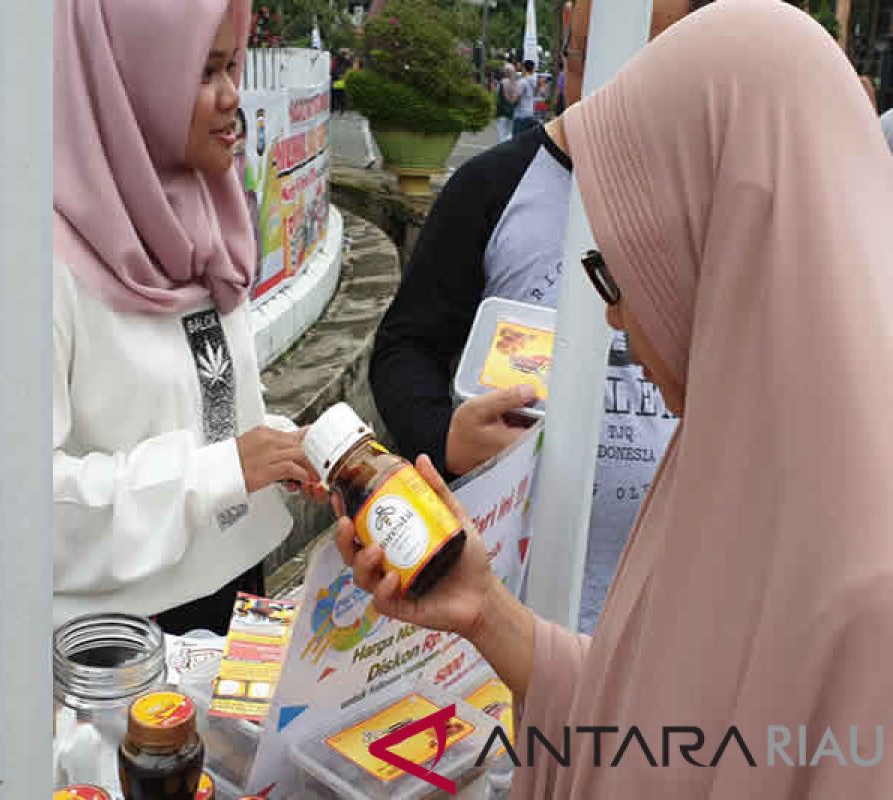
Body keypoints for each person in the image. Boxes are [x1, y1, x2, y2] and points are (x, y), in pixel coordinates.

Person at [342, 1, 893, 796]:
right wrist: (487, 610)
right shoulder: (736, 464)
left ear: (726, 241)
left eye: (620, 267)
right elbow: (671, 731)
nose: (615, 315)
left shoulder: (868, 608)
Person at [369, 0, 705, 635]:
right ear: (567, 47)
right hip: (500, 608)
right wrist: (444, 439)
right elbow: (403, 348)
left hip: (671, 614)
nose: (625, 82)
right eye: (595, 51)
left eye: (656, 53)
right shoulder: (492, 187)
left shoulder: (719, 199)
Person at [52, 0, 321, 636]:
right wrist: (225, 472)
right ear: (129, 79)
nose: (233, 98)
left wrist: (296, 452)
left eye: (234, 66)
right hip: (116, 641)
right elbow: (24, 502)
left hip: (234, 588)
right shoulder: (43, 266)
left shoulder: (203, 218)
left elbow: (211, 415)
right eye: (204, 72)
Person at [512, 60, 539, 136]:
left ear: (524, 68)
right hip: (530, 112)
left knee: (516, 139)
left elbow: (517, 97)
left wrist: (511, 103)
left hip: (520, 114)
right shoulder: (534, 82)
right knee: (526, 139)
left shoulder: (522, 82)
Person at [494, 65, 517, 144]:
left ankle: (501, 151)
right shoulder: (515, 84)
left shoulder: (501, 83)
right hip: (512, 112)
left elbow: (497, 98)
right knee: (509, 134)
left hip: (501, 112)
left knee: (501, 134)